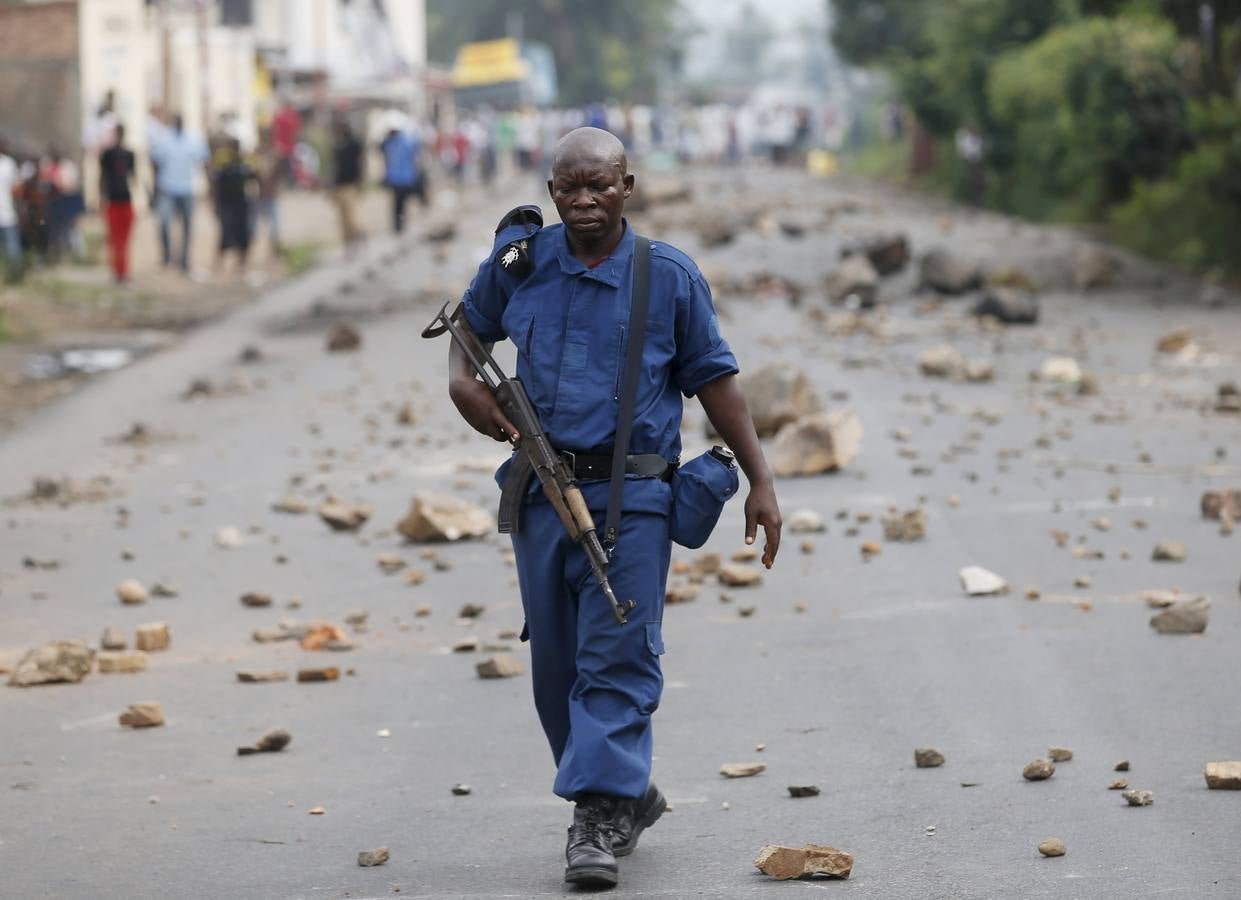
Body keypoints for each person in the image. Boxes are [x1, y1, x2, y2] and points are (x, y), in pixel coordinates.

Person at [447, 127, 782, 888]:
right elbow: (466, 334)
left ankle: (595, 816)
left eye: (600, 186)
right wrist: (462, 386)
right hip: (539, 494)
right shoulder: (521, 263)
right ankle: (623, 786)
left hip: (634, 499)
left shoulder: (666, 277)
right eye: (569, 188)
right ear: (551, 189)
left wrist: (760, 480)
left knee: (616, 658)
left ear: (628, 186)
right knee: (555, 667)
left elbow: (715, 380)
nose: (584, 201)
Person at [150, 114, 208, 272]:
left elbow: (204, 161)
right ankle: (167, 256)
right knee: (164, 223)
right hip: (167, 188)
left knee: (187, 225)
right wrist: (155, 186)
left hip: (187, 188)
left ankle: (184, 259)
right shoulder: (164, 140)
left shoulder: (193, 139)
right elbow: (154, 161)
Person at [211, 137, 256, 273]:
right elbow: (215, 182)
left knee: (243, 234)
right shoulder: (222, 161)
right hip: (226, 203)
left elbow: (253, 177)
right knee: (226, 232)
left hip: (241, 203)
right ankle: (218, 264)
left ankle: (242, 264)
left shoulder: (244, 161)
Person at [98, 125, 137, 282]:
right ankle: (116, 270)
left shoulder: (130, 155)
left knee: (125, 240)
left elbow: (133, 177)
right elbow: (102, 177)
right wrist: (101, 197)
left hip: (126, 200)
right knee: (114, 239)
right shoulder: (107, 155)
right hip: (112, 201)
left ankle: (124, 270)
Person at [330, 118, 365, 250]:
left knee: (351, 218)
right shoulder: (337, 145)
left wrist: (360, 182)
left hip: (350, 184)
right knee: (342, 219)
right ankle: (348, 244)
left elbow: (361, 163)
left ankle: (358, 238)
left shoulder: (354, 144)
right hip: (339, 185)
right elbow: (335, 167)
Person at [380, 126, 420, 234]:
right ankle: (400, 223)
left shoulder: (390, 144)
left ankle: (398, 224)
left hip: (396, 178)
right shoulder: (406, 142)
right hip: (405, 178)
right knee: (402, 202)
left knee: (397, 203)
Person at [253, 127, 283, 258]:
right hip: (260, 196)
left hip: (271, 195)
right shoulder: (257, 153)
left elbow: (278, 175)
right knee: (254, 230)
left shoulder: (274, 153)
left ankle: (273, 255)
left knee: (274, 229)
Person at [0, 139, 21, 274]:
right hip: (7, 212)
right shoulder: (9, 163)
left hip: (6, 212)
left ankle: (15, 273)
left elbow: (16, 188)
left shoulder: (8, 163)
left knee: (12, 247)